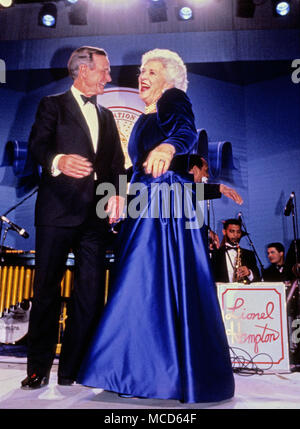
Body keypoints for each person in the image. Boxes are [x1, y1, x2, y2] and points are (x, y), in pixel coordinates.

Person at [77, 49, 235, 403]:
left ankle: (136, 373)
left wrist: (167, 146)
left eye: (151, 71)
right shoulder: (148, 113)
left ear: (170, 79)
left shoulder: (174, 98)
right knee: (149, 286)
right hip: (146, 204)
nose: (142, 76)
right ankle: (142, 373)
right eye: (141, 71)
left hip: (163, 207)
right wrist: (120, 195)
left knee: (141, 282)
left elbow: (185, 131)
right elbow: (136, 170)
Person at [21, 46, 125, 390]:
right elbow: (37, 145)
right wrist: (59, 160)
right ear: (83, 70)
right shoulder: (52, 105)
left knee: (91, 294)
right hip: (56, 213)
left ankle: (73, 368)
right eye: (104, 71)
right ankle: (38, 368)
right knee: (46, 291)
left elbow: (114, 167)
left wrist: (119, 195)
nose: (108, 77)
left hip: (94, 221)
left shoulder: (108, 117)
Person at [211, 218, 261, 284]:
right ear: (224, 232)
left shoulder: (249, 254)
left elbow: (258, 280)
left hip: (243, 293)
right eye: (232, 231)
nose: (235, 235)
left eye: (238, 232)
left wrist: (249, 273)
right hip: (221, 292)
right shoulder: (215, 254)